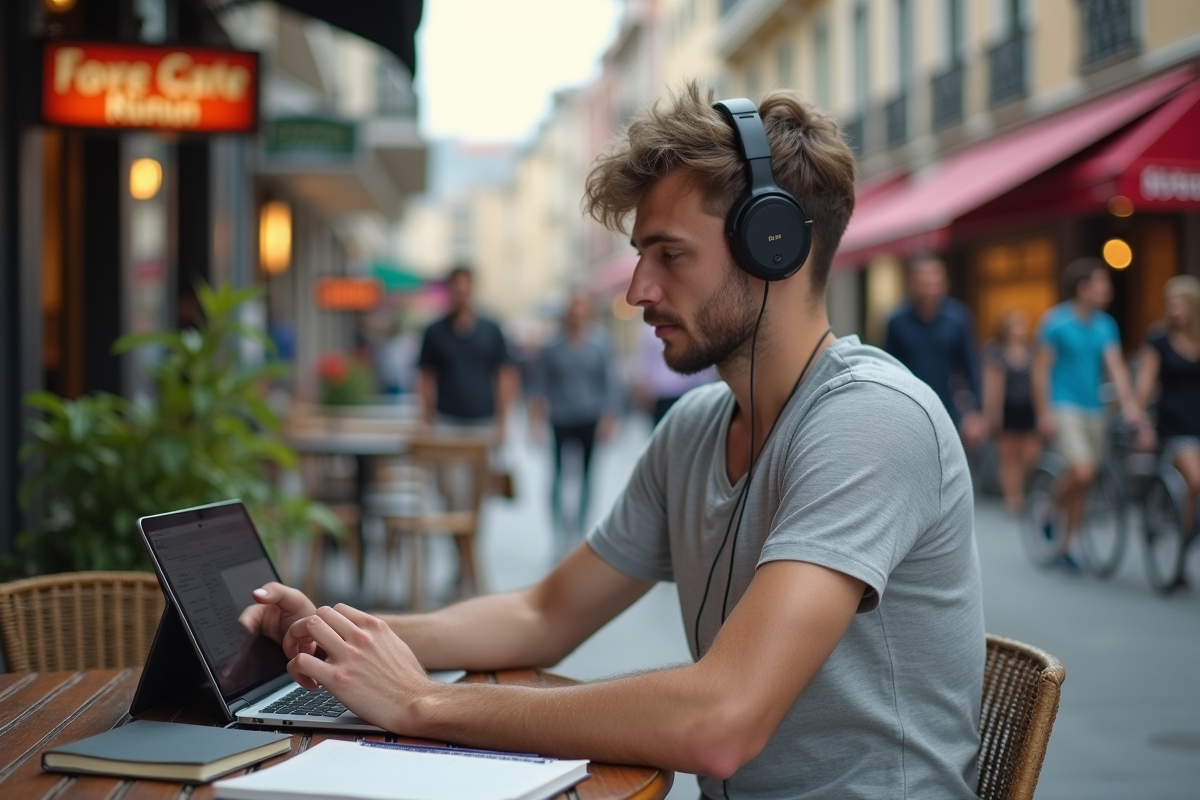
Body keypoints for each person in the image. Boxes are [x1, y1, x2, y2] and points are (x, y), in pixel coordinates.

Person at [242, 85, 984, 800]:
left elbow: (720, 720)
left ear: (773, 247)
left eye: (670, 255)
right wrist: (343, 639)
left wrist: (421, 705)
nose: (636, 291)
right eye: (639, 256)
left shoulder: (872, 421)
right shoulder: (694, 428)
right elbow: (544, 613)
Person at [1032, 257, 1144, 571]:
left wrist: (1130, 405)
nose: (1107, 289)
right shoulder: (1055, 322)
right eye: (1101, 283)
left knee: (1086, 479)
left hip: (1094, 409)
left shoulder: (1106, 325)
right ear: (1084, 288)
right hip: (1063, 406)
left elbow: (1117, 367)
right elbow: (1041, 370)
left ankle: (1067, 546)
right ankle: (1050, 508)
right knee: (1081, 470)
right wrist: (1043, 412)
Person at [417, 265, 519, 593]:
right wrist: (427, 420)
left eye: (466, 286)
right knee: (450, 499)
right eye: (455, 287)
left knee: (475, 503)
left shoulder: (491, 329)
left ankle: (466, 567)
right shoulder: (434, 331)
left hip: (482, 427)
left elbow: (504, 376)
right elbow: (425, 378)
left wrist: (504, 422)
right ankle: (467, 567)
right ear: (450, 290)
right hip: (446, 427)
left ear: (473, 288)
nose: (461, 292)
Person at [529, 293, 620, 557]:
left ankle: (580, 531)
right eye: (573, 309)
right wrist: (535, 422)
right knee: (557, 477)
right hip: (560, 416)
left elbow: (610, 382)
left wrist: (610, 417)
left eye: (582, 309)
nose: (577, 314)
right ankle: (559, 533)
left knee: (587, 477)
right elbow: (540, 384)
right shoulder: (552, 346)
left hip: (590, 416)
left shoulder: (601, 343)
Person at [885, 256, 987, 449]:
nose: (930, 289)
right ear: (912, 284)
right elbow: (888, 368)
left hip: (949, 409)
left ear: (945, 284)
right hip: (907, 409)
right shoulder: (896, 322)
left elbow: (971, 366)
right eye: (924, 283)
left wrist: (975, 413)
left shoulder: (958, 318)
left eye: (935, 283)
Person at [1134, 275, 1200, 573]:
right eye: (1170, 305)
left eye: (1180, 304)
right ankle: (1183, 551)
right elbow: (1146, 383)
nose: (1175, 311)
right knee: (1194, 480)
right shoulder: (1158, 340)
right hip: (1175, 425)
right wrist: (1140, 418)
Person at [982, 310, 1040, 514]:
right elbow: (993, 386)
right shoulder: (996, 352)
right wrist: (992, 413)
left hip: (1028, 408)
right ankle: (1013, 498)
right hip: (1007, 408)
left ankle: (1020, 490)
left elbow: (1038, 383)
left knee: (1031, 454)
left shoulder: (1031, 352)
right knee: (1009, 456)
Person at [633, 321, 715, 425]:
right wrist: (643, 388)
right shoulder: (649, 330)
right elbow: (645, 361)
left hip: (686, 390)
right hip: (661, 393)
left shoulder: (686, 324)